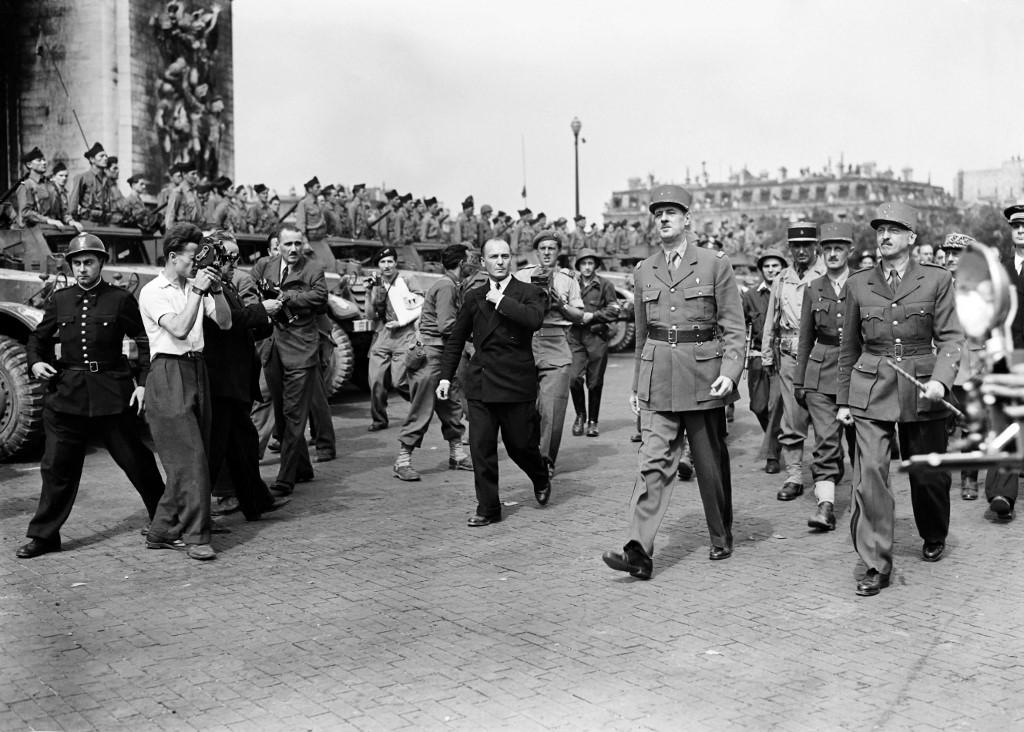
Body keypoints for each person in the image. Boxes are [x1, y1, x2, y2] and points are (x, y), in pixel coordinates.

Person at [602, 184, 745, 580]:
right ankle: (638, 550)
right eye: (658, 213)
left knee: (709, 464)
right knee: (652, 464)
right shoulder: (644, 270)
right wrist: (636, 384)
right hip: (658, 379)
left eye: (671, 212)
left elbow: (734, 328)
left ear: (687, 220)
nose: (663, 219)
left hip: (703, 376)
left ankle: (720, 533)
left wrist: (729, 374)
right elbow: (644, 332)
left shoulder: (715, 264)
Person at [836, 202, 963, 596]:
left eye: (894, 230)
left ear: (912, 238)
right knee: (870, 473)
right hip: (871, 389)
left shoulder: (936, 280)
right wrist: (843, 400)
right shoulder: (859, 283)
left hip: (923, 386)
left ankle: (933, 531)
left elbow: (951, 339)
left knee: (927, 475)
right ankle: (876, 561)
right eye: (880, 230)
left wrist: (942, 380)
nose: (885, 237)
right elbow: (848, 348)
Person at [16, 233, 165, 559]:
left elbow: (144, 339)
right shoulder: (61, 300)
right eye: (77, 263)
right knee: (56, 467)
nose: (82, 269)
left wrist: (142, 382)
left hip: (111, 393)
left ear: (101, 264)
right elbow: (37, 339)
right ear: (71, 265)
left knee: (135, 460)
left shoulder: (120, 299)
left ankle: (165, 516)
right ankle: (44, 535)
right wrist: (36, 361)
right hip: (67, 395)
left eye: (89, 262)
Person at [436, 238, 549, 526]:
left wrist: (502, 301)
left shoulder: (529, 292)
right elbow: (456, 339)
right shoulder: (473, 297)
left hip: (516, 382)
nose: (499, 261)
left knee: (520, 446)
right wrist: (446, 377)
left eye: (504, 256)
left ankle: (539, 475)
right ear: (483, 263)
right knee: (481, 447)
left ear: (511, 259)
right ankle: (488, 508)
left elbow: (534, 319)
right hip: (482, 382)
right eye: (493, 257)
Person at [138, 223, 232, 561]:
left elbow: (225, 323)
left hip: (197, 370)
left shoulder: (193, 286)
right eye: (193, 257)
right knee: (191, 461)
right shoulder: (153, 291)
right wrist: (196, 294)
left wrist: (216, 291)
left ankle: (162, 529)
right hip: (168, 371)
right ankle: (196, 536)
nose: (198, 262)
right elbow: (178, 329)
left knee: (193, 459)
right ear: (173, 256)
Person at [202, 232, 291, 520]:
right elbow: (227, 323)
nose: (233, 262)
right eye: (227, 257)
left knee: (243, 444)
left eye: (235, 257)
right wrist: (260, 310)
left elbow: (249, 327)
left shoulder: (226, 284)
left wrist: (267, 314)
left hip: (234, 378)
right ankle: (193, 511)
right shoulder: (207, 287)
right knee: (217, 452)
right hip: (221, 379)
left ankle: (256, 502)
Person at [250, 224, 329, 496]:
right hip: (272, 349)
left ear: (303, 243)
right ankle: (303, 468)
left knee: (294, 415)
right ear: (278, 245)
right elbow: (252, 291)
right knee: (282, 413)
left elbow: (320, 297)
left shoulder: (313, 269)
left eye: (297, 243)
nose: (293, 249)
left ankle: (286, 476)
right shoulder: (265, 266)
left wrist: (286, 298)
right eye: (287, 244)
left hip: (300, 349)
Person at [793, 222, 857, 531]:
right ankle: (826, 507)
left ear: (849, 252)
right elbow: (805, 339)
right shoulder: (813, 288)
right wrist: (799, 380)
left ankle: (866, 501)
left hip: (859, 373)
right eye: (827, 249)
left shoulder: (864, 284)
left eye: (838, 249)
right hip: (820, 374)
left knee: (861, 442)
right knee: (826, 441)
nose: (832, 254)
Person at [393, 244, 473, 480]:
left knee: (450, 405)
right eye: (469, 260)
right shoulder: (447, 286)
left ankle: (457, 454)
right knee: (423, 408)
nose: (471, 264)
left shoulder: (449, 284)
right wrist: (473, 334)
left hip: (442, 354)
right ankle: (402, 460)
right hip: (432, 356)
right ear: (461, 263)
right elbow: (447, 325)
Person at [761, 222, 827, 502]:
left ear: (816, 247)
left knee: (825, 418)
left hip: (821, 354)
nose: (801, 251)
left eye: (806, 246)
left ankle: (825, 475)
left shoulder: (828, 274)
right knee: (792, 417)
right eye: (796, 246)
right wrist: (766, 353)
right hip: (789, 354)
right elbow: (771, 321)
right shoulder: (782, 279)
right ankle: (794, 475)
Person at [514, 230, 585, 475]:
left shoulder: (568, 279)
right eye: (542, 248)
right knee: (524, 407)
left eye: (551, 248)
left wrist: (560, 304)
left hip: (555, 340)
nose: (546, 252)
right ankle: (529, 452)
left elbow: (580, 316)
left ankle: (545, 461)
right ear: (536, 251)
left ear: (558, 252)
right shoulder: (521, 276)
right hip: (525, 341)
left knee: (552, 407)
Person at [365, 247, 420, 431]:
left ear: (396, 263)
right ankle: (379, 419)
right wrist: (368, 292)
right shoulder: (377, 283)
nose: (387, 266)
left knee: (400, 381)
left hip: (404, 334)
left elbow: (420, 305)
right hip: (383, 334)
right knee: (376, 381)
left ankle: (422, 405)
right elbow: (370, 316)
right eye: (383, 262)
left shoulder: (407, 280)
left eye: (390, 261)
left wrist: (401, 321)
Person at [743, 248, 786, 473]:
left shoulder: (790, 291)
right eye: (767, 266)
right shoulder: (750, 296)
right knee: (758, 406)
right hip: (759, 358)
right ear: (761, 270)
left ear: (783, 268)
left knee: (776, 407)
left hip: (783, 358)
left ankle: (772, 455)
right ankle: (777, 439)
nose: (771, 270)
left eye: (775, 266)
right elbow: (739, 325)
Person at [568, 248, 619, 437]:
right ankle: (580, 415)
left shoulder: (605, 285)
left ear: (595, 266)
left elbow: (614, 309)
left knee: (595, 382)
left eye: (590, 263)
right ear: (579, 266)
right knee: (573, 378)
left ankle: (592, 421)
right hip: (575, 336)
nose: (587, 267)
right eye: (584, 263)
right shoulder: (572, 284)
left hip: (597, 336)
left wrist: (594, 316)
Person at [14, 147, 66, 230]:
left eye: (44, 160)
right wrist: (47, 220)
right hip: (33, 232)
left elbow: (61, 209)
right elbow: (25, 212)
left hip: (53, 229)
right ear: (29, 165)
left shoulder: (51, 184)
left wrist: (70, 221)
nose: (44, 162)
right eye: (39, 160)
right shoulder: (26, 185)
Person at [68, 142, 113, 226]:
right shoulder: (82, 178)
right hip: (87, 222)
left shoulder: (107, 180)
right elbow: (73, 204)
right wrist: (73, 222)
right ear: (92, 159)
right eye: (101, 156)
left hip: (103, 224)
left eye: (106, 156)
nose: (105, 158)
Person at [164, 161, 202, 230]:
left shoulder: (194, 193)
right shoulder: (178, 192)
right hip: (181, 233)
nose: (196, 176)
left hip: (194, 231)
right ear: (184, 174)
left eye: (196, 174)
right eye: (193, 174)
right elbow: (169, 219)